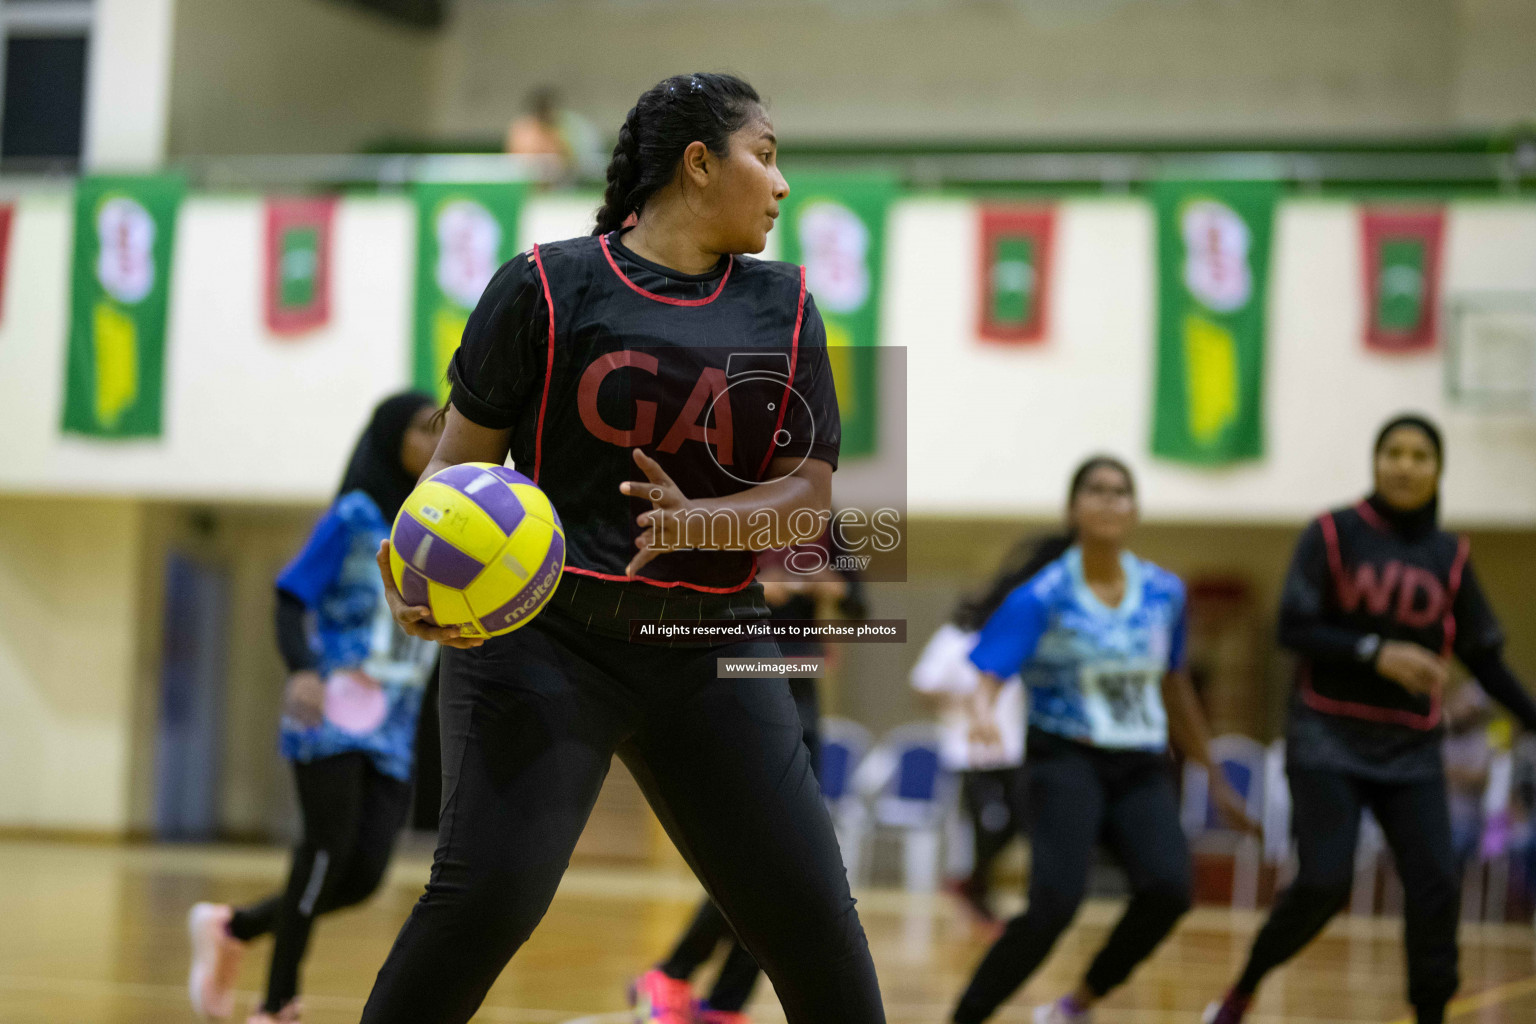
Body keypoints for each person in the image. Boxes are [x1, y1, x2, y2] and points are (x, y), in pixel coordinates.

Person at [358, 73, 886, 1024]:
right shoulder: (544, 288)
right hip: (545, 644)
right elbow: (452, 474)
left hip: (711, 649)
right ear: (697, 164)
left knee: (814, 927)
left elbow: (809, 498)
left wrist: (705, 525)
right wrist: (415, 571)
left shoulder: (789, 309)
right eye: (764, 156)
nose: (782, 184)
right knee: (484, 904)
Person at [1204, 414, 1536, 1024]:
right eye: (1394, 452)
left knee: (1436, 882)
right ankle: (1242, 988)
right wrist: (1376, 652)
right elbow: (1293, 627)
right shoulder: (1333, 534)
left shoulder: (1449, 555)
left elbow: (1485, 659)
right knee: (1325, 882)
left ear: (1438, 471)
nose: (1406, 465)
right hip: (1325, 736)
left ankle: (1431, 1012)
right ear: (1376, 462)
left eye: (1420, 455)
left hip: (1409, 748)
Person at [950, 456, 1253, 1024]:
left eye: (1121, 492)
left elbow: (1175, 683)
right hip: (1064, 759)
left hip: (1140, 764)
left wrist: (1214, 775)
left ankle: (1075, 1005)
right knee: (1054, 905)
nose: (1110, 501)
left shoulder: (1164, 592)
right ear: (1074, 509)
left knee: (1169, 890)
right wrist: (984, 714)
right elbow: (987, 675)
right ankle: (966, 1015)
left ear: (1134, 509)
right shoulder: (1043, 594)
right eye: (1097, 490)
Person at [187, 392, 443, 1024]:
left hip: (395, 722)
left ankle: (236, 928)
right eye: (421, 429)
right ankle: (276, 1005)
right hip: (331, 709)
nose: (434, 440)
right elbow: (289, 595)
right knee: (323, 853)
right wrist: (302, 668)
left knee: (362, 877)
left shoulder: (436, 523)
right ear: (389, 438)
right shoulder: (352, 516)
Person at [632, 539, 865, 1024]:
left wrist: (832, 587)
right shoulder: (736, 513)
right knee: (760, 858)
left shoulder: (826, 528)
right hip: (736, 684)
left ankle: (722, 1002)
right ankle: (675, 974)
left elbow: (858, 608)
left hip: (800, 694)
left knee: (790, 862)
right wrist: (758, 586)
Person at [911, 540, 1054, 927]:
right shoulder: (954, 640)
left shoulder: (1019, 642)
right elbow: (922, 687)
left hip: (1013, 748)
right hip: (969, 751)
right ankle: (979, 895)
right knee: (985, 826)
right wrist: (968, 701)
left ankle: (970, 883)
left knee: (1022, 820)